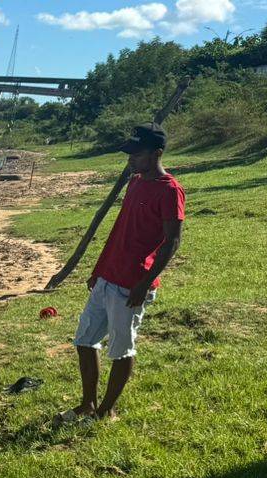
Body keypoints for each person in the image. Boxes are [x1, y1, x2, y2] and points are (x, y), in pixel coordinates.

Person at [63, 123, 184, 422]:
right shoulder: (136, 181)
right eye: (129, 153)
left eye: (137, 154)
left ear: (156, 153)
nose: (131, 159)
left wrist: (144, 283)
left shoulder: (170, 190)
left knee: (121, 348)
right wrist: (99, 270)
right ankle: (88, 404)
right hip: (108, 277)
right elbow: (119, 231)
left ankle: (107, 410)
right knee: (84, 339)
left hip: (132, 284)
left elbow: (172, 242)